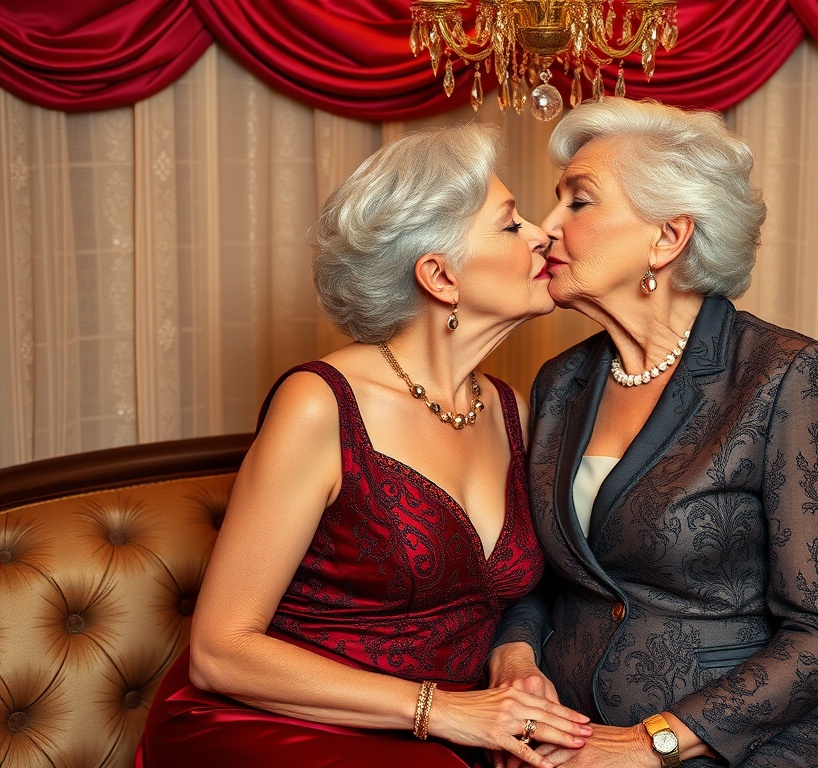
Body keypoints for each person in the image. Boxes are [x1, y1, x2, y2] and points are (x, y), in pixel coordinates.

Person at [135, 122, 594, 768]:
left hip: (441, 734)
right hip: (270, 726)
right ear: (439, 275)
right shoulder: (320, 403)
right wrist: (444, 710)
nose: (542, 234)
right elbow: (219, 653)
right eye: (511, 223)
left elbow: (506, 594)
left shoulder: (509, 408)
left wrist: (514, 663)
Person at [488, 98, 818, 768]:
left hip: (757, 750)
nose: (544, 229)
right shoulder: (561, 382)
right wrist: (515, 658)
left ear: (668, 238)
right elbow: (551, 578)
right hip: (572, 745)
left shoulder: (786, 374)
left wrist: (652, 743)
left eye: (577, 203)